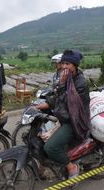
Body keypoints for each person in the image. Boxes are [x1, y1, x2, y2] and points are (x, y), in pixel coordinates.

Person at [35, 50, 90, 178]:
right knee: (39, 136)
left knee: (50, 147)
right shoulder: (67, 79)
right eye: (63, 63)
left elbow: (69, 102)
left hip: (74, 121)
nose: (64, 66)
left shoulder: (80, 83)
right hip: (63, 117)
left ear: (75, 65)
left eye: (68, 63)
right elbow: (56, 97)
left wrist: (61, 84)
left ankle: (71, 167)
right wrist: (42, 105)